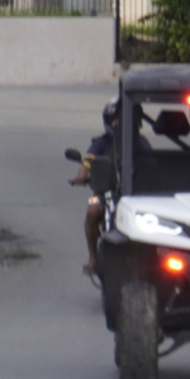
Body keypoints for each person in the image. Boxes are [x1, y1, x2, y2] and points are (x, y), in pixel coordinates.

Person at [70, 97, 118, 280]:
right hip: (102, 192)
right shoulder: (100, 143)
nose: (117, 123)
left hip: (131, 194)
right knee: (91, 210)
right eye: (114, 119)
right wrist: (81, 177)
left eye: (120, 119)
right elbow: (87, 162)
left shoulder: (140, 142)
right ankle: (92, 257)